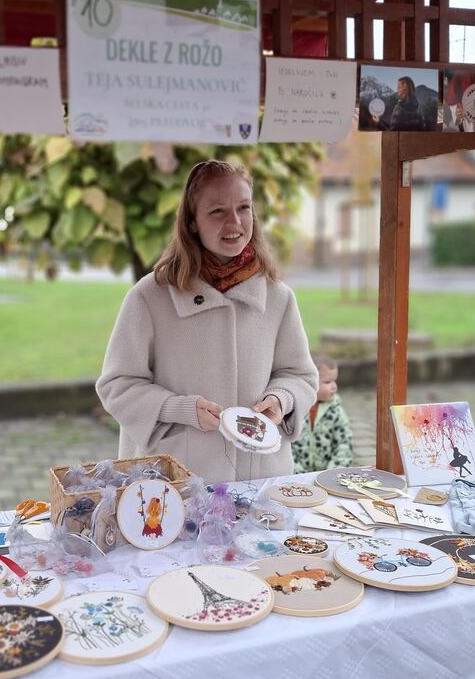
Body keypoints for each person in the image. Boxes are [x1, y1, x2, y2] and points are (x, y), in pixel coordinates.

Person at [96, 160, 319, 484]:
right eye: (217, 211)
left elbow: (300, 375)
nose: (235, 222)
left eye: (243, 208)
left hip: (259, 483)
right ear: (192, 222)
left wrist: (280, 399)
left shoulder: (278, 297)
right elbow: (117, 385)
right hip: (172, 485)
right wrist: (181, 409)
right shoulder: (149, 297)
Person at [291, 355, 354, 473]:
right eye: (328, 382)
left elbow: (344, 443)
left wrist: (333, 472)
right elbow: (287, 446)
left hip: (328, 474)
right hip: (297, 476)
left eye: (335, 380)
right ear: (309, 382)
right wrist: (297, 472)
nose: (334, 386)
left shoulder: (336, 410)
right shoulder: (295, 409)